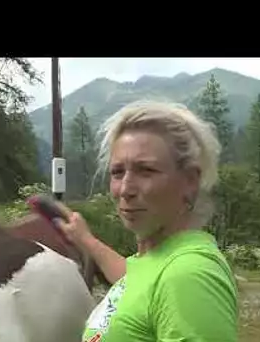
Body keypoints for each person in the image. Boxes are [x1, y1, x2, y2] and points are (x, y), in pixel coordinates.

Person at [53, 100, 239, 342]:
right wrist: (85, 240)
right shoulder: (157, 261)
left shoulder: (188, 275)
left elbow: (167, 284)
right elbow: (134, 281)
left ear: (190, 181)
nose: (125, 189)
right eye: (118, 172)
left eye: (146, 170)